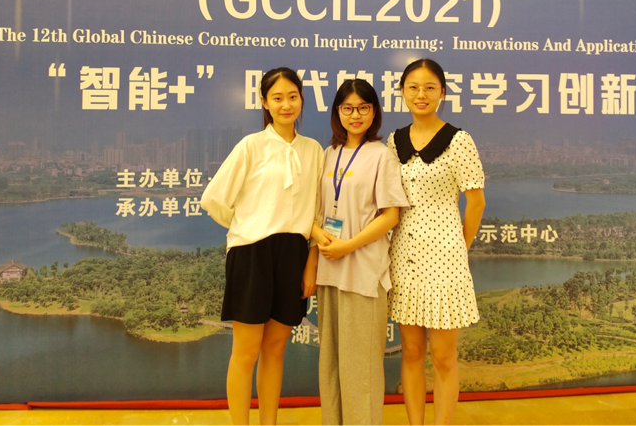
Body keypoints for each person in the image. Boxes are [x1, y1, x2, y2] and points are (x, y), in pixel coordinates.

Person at [200, 67, 324, 426]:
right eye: (277, 98)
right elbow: (214, 199)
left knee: (276, 348)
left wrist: (311, 262)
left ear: (302, 99)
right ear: (264, 102)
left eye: (293, 97)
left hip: (294, 255)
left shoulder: (314, 150)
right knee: (246, 352)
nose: (286, 105)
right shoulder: (251, 146)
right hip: (252, 254)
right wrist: (248, 226)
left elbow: (317, 213)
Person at [387, 59, 486, 426]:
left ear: (442, 92)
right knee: (411, 352)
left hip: (446, 258)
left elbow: (476, 203)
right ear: (402, 92)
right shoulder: (394, 142)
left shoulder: (459, 141)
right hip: (405, 256)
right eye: (413, 87)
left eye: (429, 87)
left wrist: (460, 247)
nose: (421, 94)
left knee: (443, 357)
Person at [314, 79, 409, 426]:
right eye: (348, 108)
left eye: (363, 108)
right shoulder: (328, 154)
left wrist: (347, 246)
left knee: (361, 369)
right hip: (329, 270)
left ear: (374, 112)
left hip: (364, 273)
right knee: (331, 364)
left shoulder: (382, 155)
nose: (355, 115)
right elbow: (314, 210)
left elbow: (390, 216)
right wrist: (320, 238)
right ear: (337, 112)